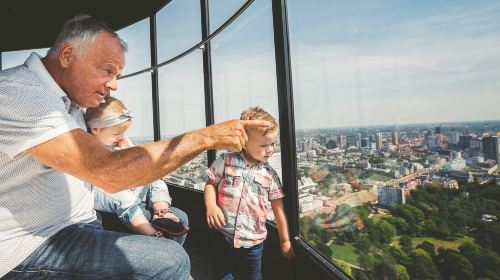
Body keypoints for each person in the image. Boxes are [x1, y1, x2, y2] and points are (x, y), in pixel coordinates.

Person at [0, 15, 270, 279]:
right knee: (169, 260)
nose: (113, 85)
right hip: (33, 246)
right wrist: (206, 137)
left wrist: (158, 206)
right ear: (68, 55)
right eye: (106, 70)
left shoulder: (68, 104)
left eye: (117, 75)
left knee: (175, 218)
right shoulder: (20, 93)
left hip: (79, 224)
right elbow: (109, 172)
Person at [204, 107, 294, 280]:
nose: (270, 149)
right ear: (244, 142)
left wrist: (285, 240)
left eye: (273, 144)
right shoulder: (226, 160)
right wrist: (211, 206)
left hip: (253, 244)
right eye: (264, 145)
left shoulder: (270, 175)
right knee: (221, 275)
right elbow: (210, 183)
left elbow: (278, 208)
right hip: (223, 236)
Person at [86, 96, 189, 244]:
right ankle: (153, 235)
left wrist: (132, 152)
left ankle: (161, 210)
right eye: (116, 134)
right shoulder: (90, 150)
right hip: (104, 190)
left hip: (124, 186)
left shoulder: (119, 145)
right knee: (124, 198)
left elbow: (143, 168)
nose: (121, 137)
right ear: (95, 129)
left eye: (123, 133)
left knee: (154, 180)